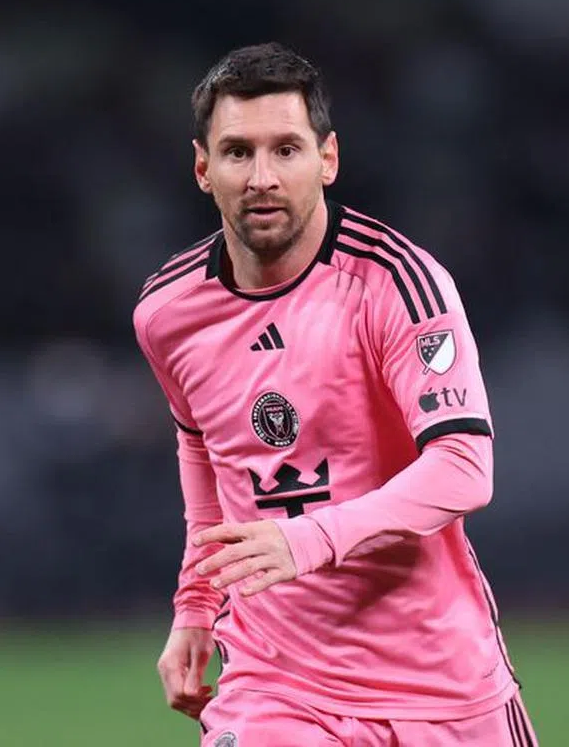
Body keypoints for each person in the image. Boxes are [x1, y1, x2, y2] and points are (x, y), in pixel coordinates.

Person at [133, 41, 537, 747]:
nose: (262, 177)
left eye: (286, 150)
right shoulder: (169, 313)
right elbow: (203, 449)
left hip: (439, 684)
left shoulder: (397, 283)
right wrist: (196, 603)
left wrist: (310, 539)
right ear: (203, 168)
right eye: (237, 153)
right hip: (275, 684)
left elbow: (464, 468)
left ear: (328, 159)